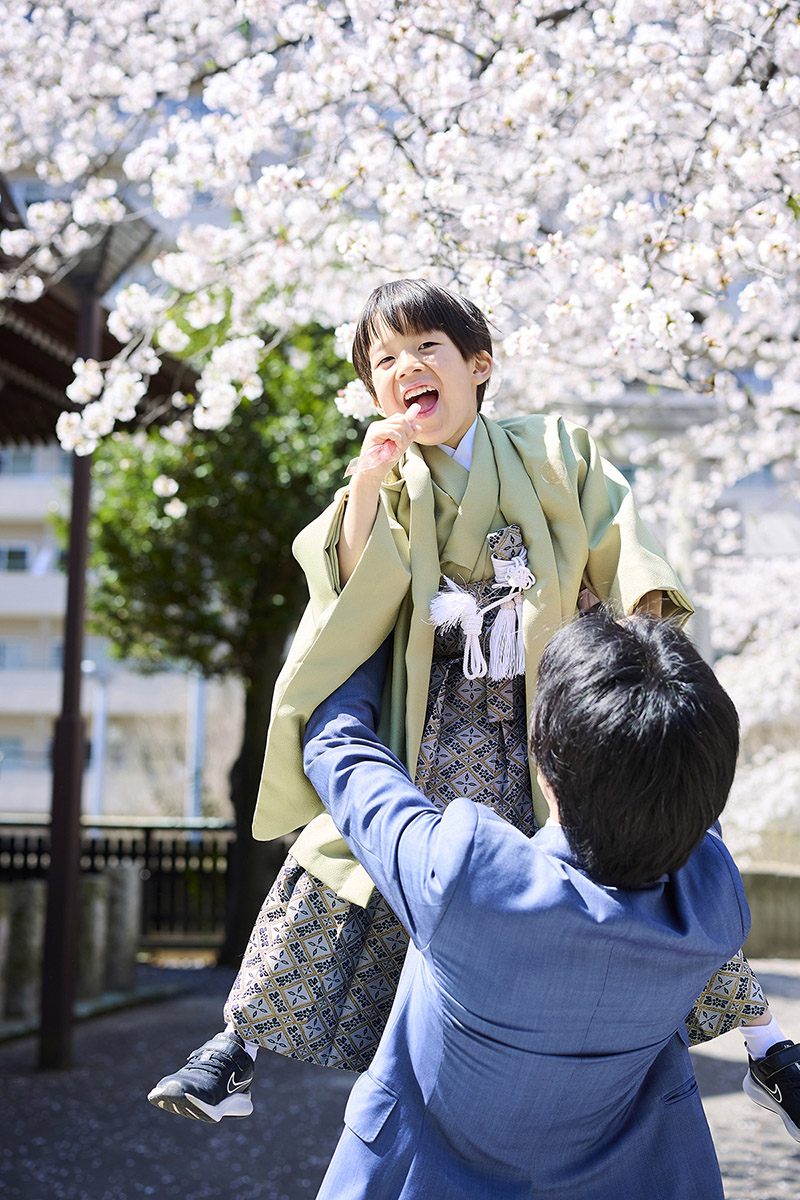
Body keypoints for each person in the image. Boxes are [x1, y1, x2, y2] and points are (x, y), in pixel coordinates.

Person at [148, 279, 798, 1140]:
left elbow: (619, 540)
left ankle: (769, 1049)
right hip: (434, 722)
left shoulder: (552, 449)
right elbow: (345, 592)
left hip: (553, 720)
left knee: (661, 848)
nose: (405, 368)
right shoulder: (384, 483)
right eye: (384, 360)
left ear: (477, 365)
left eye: (426, 349)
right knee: (340, 863)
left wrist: (642, 658)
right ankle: (234, 1049)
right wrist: (371, 487)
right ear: (374, 392)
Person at [302, 611, 745, 1198]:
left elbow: (338, 746)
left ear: (542, 763)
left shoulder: (470, 879)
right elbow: (689, 790)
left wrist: (383, 615)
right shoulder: (714, 907)